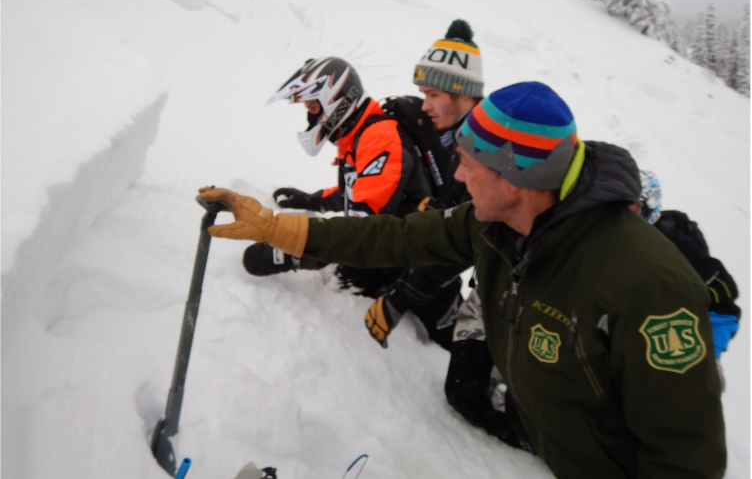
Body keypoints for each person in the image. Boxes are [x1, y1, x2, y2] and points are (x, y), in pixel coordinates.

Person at [199, 80, 726, 477]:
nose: (455, 175)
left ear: (518, 177)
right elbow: (391, 238)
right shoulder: (492, 222)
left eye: (469, 163)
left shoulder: (649, 287)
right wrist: (276, 228)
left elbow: (685, 457)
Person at [243, 55, 458, 347]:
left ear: (336, 100)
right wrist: (311, 200)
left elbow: (360, 227)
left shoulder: (378, 138)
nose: (310, 117)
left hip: (418, 265)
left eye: (313, 107)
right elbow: (359, 194)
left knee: (460, 347)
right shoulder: (359, 136)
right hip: (395, 253)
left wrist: (291, 250)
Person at [364, 18, 484, 348]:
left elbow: (464, 244)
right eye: (422, 94)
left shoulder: (488, 154)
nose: (425, 104)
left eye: (433, 94)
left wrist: (400, 299)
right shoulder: (431, 120)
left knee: (464, 361)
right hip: (419, 248)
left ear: (463, 95)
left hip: (470, 276)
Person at [632, 169, 741, 389]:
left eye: (629, 205)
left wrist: (709, 356)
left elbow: (722, 308)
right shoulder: (603, 238)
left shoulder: (680, 251)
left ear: (647, 206)